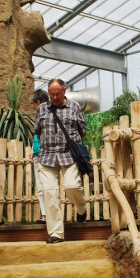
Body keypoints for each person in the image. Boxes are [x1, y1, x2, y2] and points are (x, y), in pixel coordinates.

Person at [34, 78, 87, 244]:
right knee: (49, 193)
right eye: (51, 94)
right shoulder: (42, 109)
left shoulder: (75, 107)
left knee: (72, 186)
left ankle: (81, 208)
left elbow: (82, 131)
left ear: (64, 91)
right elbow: (38, 131)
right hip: (47, 156)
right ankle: (56, 233)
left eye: (57, 93)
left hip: (68, 155)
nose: (54, 97)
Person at [30, 89, 48, 223]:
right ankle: (45, 215)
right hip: (37, 153)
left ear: (38, 102)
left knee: (47, 186)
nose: (32, 106)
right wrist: (33, 148)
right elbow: (37, 134)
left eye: (33, 103)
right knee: (41, 187)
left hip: (45, 155)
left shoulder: (46, 113)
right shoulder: (38, 115)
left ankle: (49, 215)